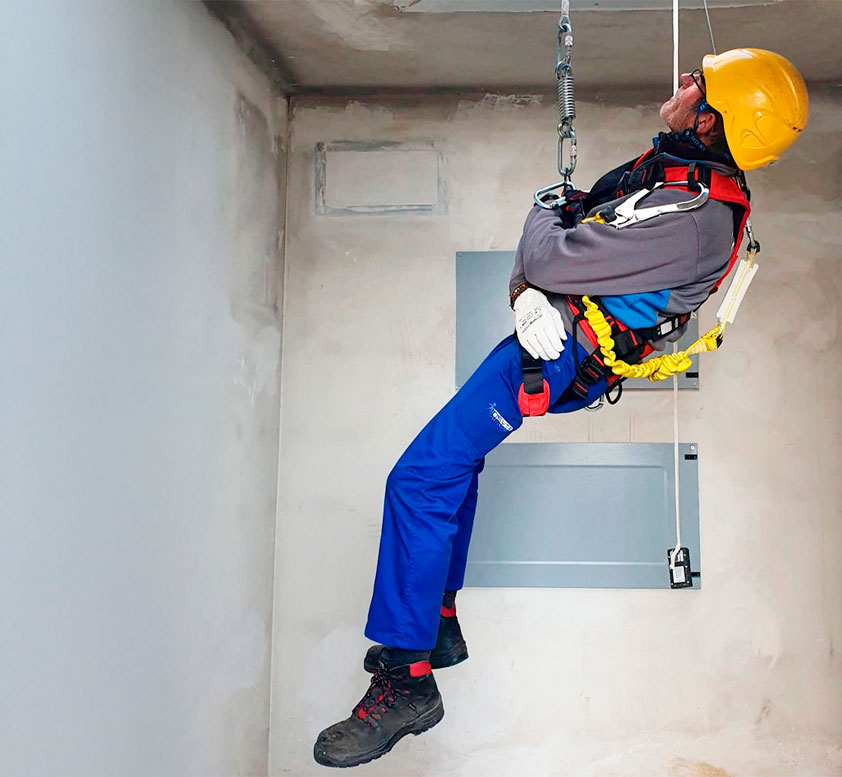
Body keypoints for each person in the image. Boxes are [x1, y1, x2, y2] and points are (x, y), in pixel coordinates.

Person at [313, 48, 809, 769]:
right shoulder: (673, 177)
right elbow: (559, 239)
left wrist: (537, 240)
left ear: (710, 120)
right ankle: (438, 619)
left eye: (698, 82)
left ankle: (405, 679)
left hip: (558, 354)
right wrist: (528, 282)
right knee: (453, 468)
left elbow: (551, 241)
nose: (683, 81)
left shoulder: (695, 218)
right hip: (554, 336)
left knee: (418, 479)